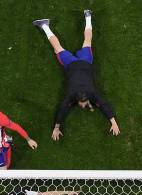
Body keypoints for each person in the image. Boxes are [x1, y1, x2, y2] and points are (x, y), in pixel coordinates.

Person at [33, 10, 120, 141]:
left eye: (83, 104)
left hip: (84, 63)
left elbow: (103, 105)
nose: (83, 106)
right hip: (74, 65)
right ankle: (45, 25)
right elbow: (102, 105)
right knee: (58, 47)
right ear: (79, 99)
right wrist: (56, 127)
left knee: (86, 41)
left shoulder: (89, 94)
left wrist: (113, 122)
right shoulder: (76, 95)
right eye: (83, 103)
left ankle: (88, 16)